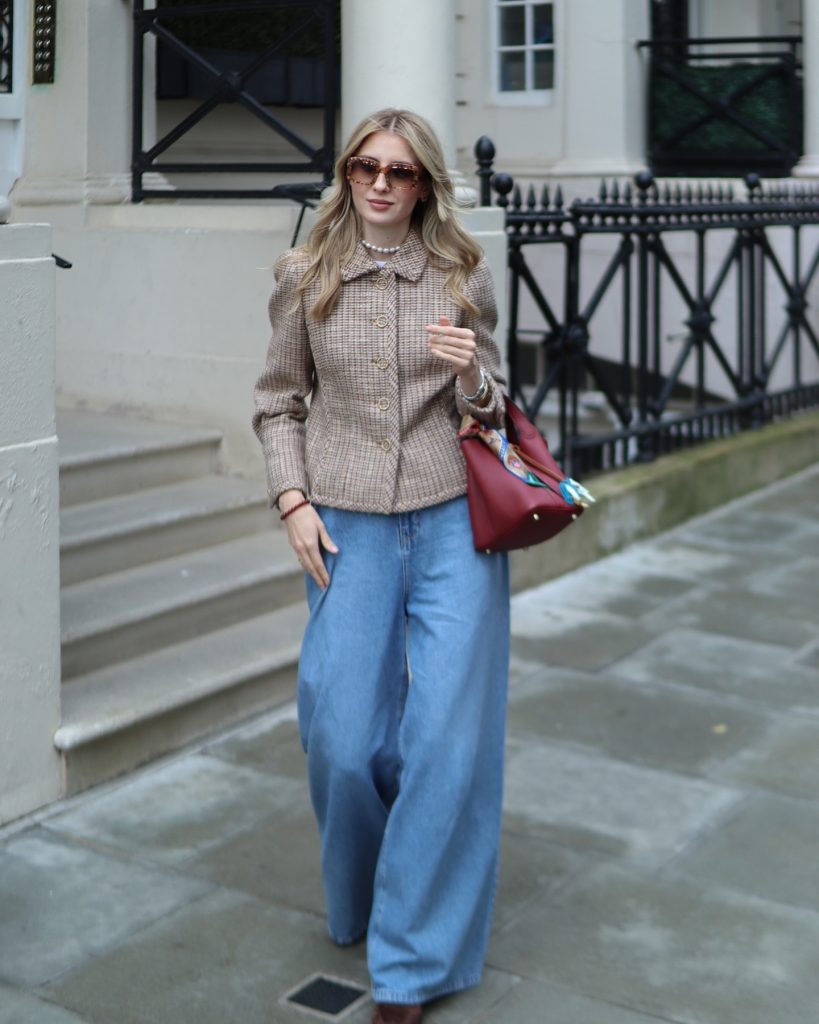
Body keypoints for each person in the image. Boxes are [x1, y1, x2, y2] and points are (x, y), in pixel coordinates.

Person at [252, 108, 510, 1024]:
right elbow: (278, 403)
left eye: (400, 172)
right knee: (345, 739)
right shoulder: (305, 277)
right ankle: (362, 894)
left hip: (451, 526)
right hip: (346, 528)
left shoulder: (461, 275)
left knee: (446, 741)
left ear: (425, 185)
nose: (380, 184)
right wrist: (292, 501)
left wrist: (472, 375)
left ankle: (408, 963)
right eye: (365, 167)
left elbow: (496, 402)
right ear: (346, 173)